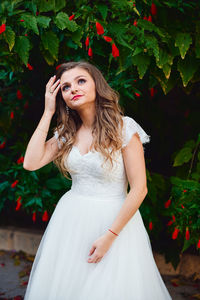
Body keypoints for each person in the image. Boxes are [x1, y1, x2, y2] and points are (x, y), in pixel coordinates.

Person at [23, 61, 172, 300]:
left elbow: (140, 189)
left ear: (96, 85)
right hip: (70, 221)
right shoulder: (67, 133)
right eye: (66, 87)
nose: (73, 89)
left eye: (81, 81)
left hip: (113, 222)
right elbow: (31, 162)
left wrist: (109, 237)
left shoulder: (123, 128)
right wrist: (48, 111)